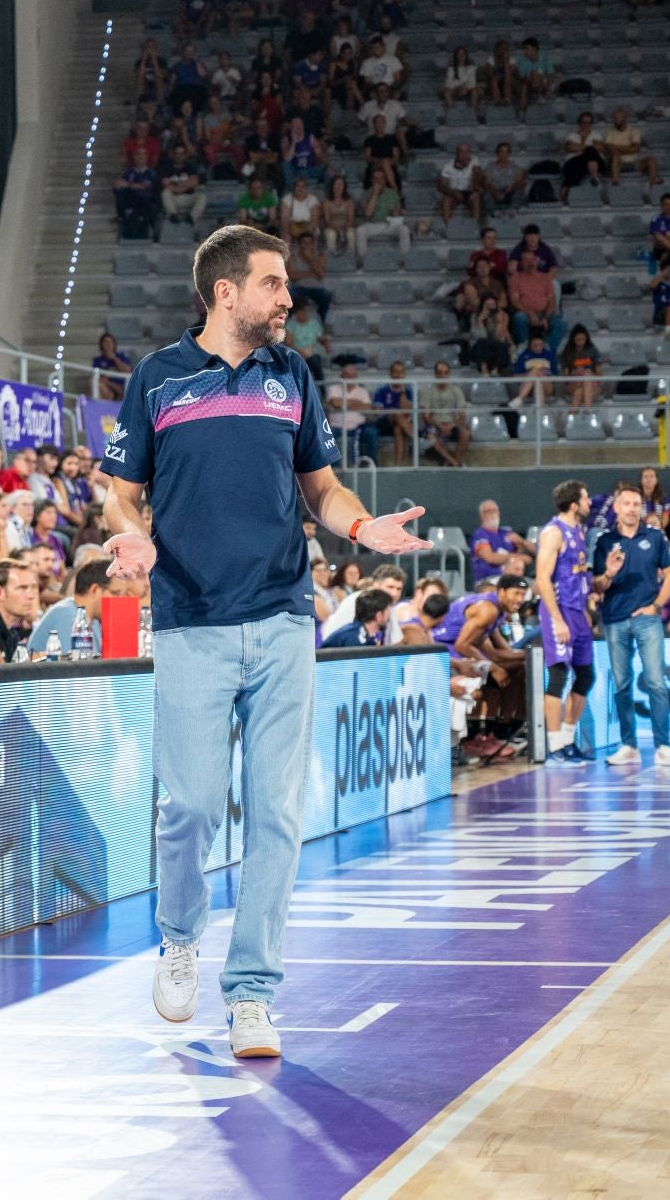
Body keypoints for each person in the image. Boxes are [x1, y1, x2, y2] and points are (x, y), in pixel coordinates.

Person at [100, 224, 427, 1060]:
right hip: (191, 620)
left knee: (278, 816)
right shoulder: (158, 378)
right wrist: (130, 535)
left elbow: (321, 486)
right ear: (225, 292)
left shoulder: (292, 375)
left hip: (285, 616)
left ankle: (252, 994)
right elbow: (119, 495)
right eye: (275, 284)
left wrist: (360, 524)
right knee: (195, 806)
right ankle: (180, 935)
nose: (289, 299)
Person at [592, 487, 670, 767]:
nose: (632, 508)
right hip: (615, 619)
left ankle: (663, 746)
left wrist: (656, 606)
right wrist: (609, 573)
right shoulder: (604, 541)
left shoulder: (654, 537)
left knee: (656, 681)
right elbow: (597, 586)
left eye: (636, 504)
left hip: (647, 619)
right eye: (626, 504)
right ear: (616, 508)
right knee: (622, 684)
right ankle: (628, 745)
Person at [536, 480, 597, 764]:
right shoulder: (553, 533)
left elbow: (579, 576)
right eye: (585, 499)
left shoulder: (579, 531)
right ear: (574, 504)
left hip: (577, 611)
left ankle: (568, 739)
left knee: (586, 676)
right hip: (557, 611)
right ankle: (554, 745)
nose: (589, 503)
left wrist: (586, 607)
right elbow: (542, 580)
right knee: (559, 674)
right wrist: (558, 620)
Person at [470, 499, 533, 583]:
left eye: (495, 510)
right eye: (488, 511)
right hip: (489, 580)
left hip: (514, 578)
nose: (492, 513)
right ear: (482, 515)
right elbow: (490, 558)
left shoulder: (506, 533)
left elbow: (528, 558)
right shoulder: (480, 534)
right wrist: (515, 558)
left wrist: (521, 541)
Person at [320, 587, 392, 647]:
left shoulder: (365, 635)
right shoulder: (353, 638)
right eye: (388, 610)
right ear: (379, 616)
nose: (390, 614)